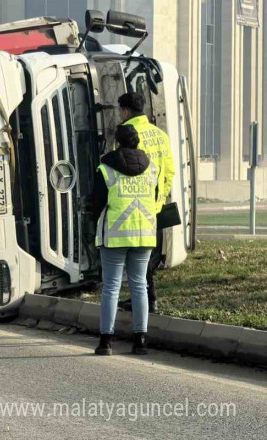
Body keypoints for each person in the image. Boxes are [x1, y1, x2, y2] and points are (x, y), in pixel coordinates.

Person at [91, 124, 158, 356]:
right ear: (137, 142)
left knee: (111, 287)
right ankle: (140, 341)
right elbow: (155, 197)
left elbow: (96, 203)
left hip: (115, 236)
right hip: (145, 235)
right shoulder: (152, 168)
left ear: (116, 142)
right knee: (140, 286)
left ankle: (106, 342)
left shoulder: (106, 168)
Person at [117, 92, 175, 314]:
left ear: (125, 111)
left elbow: (123, 171)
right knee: (148, 257)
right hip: (155, 205)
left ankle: (147, 302)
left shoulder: (129, 133)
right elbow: (169, 171)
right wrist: (160, 198)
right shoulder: (160, 134)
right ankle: (147, 300)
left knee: (137, 258)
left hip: (136, 205)